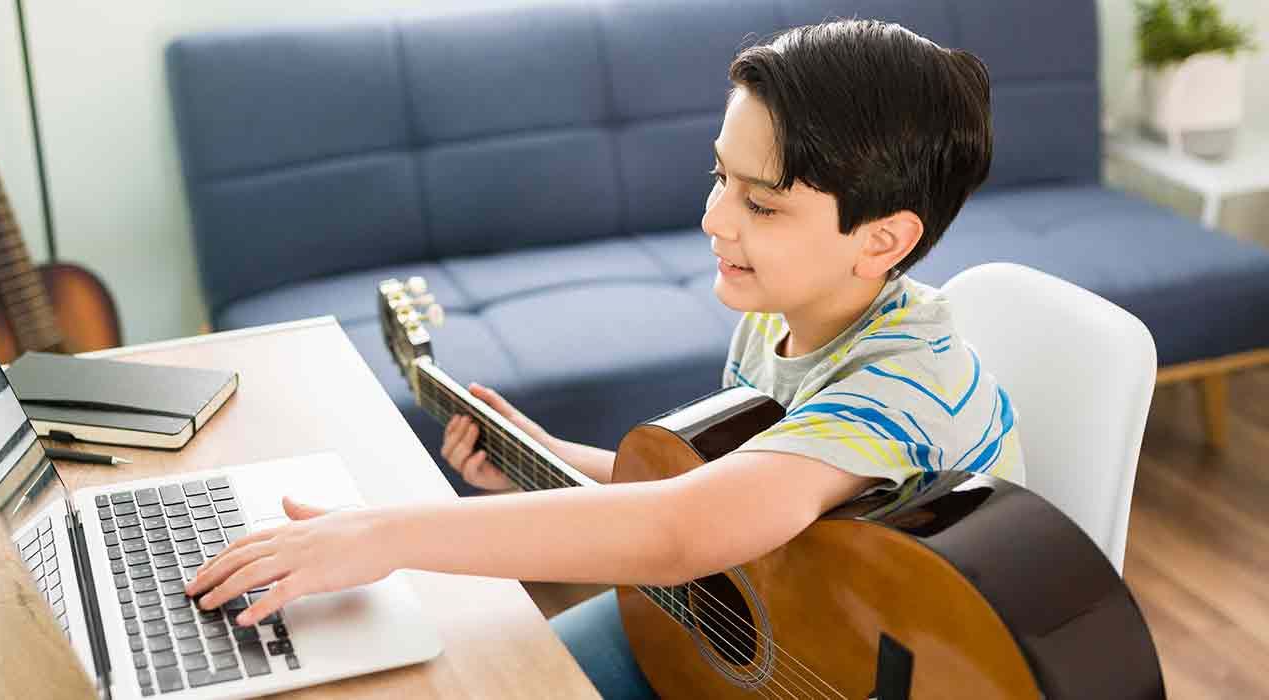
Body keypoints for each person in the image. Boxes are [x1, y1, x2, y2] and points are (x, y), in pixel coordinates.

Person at [185, 19, 1022, 698]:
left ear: (884, 239)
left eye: (761, 204)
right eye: (719, 177)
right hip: (783, 639)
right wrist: (538, 459)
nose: (715, 220)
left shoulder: (908, 385)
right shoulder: (779, 319)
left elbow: (682, 529)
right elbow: (727, 496)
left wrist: (380, 535)